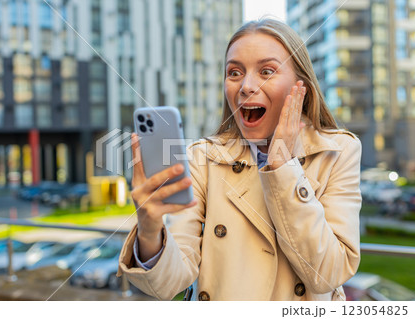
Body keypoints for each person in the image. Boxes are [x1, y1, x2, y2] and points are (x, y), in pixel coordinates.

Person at [117, 18, 362, 301]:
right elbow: (169, 283)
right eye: (234, 72)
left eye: (267, 71)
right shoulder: (202, 158)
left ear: (300, 86)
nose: (246, 86)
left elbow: (328, 273)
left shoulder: (338, 151)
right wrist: (150, 230)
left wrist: (282, 165)